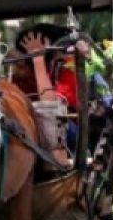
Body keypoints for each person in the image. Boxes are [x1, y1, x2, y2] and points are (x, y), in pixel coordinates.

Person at [17, 26, 80, 155]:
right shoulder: (47, 66)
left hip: (67, 127)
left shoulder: (69, 64)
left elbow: (50, 106)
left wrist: (37, 59)